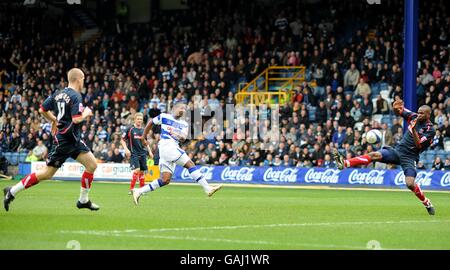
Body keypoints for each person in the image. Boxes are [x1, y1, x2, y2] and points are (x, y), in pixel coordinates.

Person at [3, 68, 100, 212]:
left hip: (74, 140)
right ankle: (11, 191)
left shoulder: (58, 93)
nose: (84, 82)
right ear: (78, 79)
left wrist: (54, 120)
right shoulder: (76, 97)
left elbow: (42, 109)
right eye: (83, 79)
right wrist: (86, 112)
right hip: (64, 141)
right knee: (47, 173)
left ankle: (83, 200)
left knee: (92, 165)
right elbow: (77, 119)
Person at [333, 97, 436, 215]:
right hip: (398, 151)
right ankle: (345, 163)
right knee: (374, 155)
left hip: (410, 157)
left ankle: (426, 202)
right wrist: (396, 108)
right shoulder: (413, 117)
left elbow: (418, 145)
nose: (419, 114)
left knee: (410, 184)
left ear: (428, 114)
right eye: (418, 112)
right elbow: (400, 111)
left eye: (422, 113)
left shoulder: (430, 130)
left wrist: (413, 130)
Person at [131, 103, 222, 205]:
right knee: (190, 164)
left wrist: (178, 135)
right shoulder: (164, 116)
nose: (182, 110)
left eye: (184, 109)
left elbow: (183, 138)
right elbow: (151, 122)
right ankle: (207, 188)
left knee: (165, 179)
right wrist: (143, 137)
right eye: (181, 108)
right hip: (167, 145)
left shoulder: (184, 124)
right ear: (174, 108)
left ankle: (138, 191)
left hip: (173, 147)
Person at [121, 112, 153, 194]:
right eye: (138, 119)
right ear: (135, 120)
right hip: (133, 153)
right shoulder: (130, 129)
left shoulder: (143, 130)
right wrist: (126, 149)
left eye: (141, 119)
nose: (139, 120)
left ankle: (142, 190)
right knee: (137, 170)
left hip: (143, 153)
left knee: (142, 172)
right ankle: (131, 189)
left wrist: (149, 151)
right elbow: (122, 140)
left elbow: (145, 142)